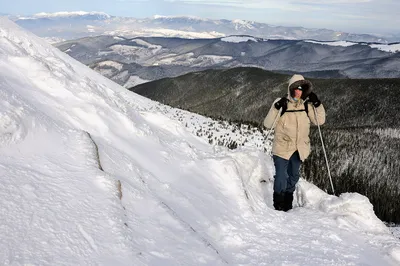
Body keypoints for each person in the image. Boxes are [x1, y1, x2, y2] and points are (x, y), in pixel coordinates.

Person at [263, 74, 326, 211]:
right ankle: (279, 204)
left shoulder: (306, 106)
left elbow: (319, 121)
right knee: (281, 176)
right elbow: (268, 124)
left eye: (301, 89)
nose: (298, 91)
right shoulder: (282, 103)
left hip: (299, 148)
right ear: (290, 89)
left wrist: (318, 104)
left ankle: (288, 200)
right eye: (295, 88)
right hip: (282, 147)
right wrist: (276, 107)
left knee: (294, 175)